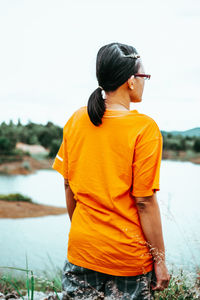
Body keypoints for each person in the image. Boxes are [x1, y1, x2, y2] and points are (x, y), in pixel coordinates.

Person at [52, 42, 170, 299]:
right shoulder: (144, 128)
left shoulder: (76, 120)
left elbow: (68, 185)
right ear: (130, 80)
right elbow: (144, 202)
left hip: (82, 252)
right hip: (126, 260)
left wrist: (88, 233)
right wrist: (159, 261)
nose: (144, 82)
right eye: (143, 76)